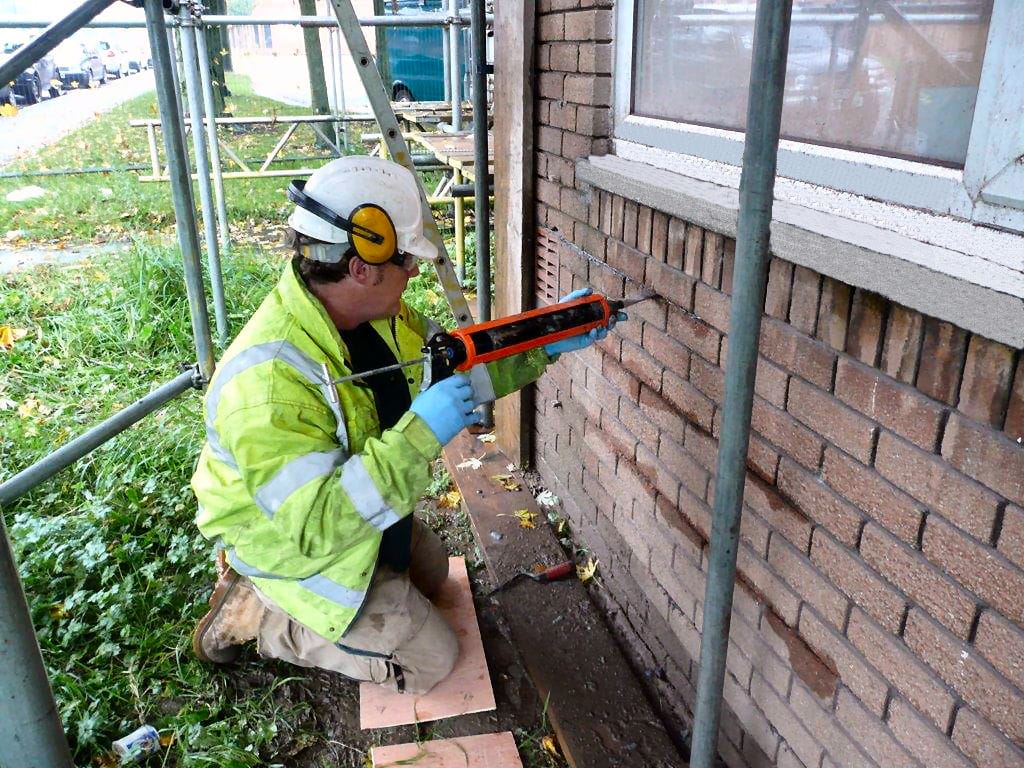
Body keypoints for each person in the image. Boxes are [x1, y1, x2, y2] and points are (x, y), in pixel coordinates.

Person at [189, 156, 624, 694]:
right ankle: (262, 616)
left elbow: (462, 370)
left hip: (351, 515)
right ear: (361, 267)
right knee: (432, 660)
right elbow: (314, 527)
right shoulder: (270, 387)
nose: (415, 271)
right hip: (295, 545)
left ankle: (355, 596)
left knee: (435, 574)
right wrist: (420, 433)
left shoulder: (379, 316)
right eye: (406, 261)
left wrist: (544, 342)